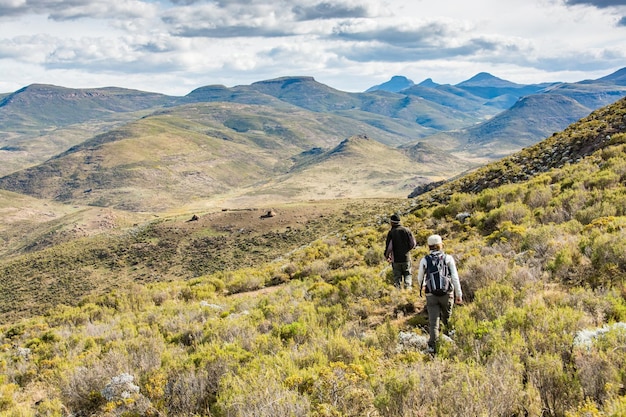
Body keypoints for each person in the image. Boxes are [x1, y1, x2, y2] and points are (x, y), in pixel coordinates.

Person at [417, 234, 462, 353]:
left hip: (431, 295)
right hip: (447, 293)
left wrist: (423, 287)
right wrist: (459, 294)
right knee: (447, 319)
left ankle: (433, 347)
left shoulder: (425, 260)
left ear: (429, 246)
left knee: (433, 323)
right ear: (440, 245)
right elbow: (455, 277)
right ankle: (450, 342)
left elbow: (420, 278)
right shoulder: (448, 258)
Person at [384, 213, 417, 289]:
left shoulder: (391, 232)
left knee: (397, 277)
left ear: (391, 222)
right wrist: (407, 250)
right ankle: (408, 290)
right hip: (406, 258)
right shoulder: (406, 230)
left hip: (396, 259)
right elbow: (413, 244)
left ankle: (398, 292)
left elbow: (389, 248)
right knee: (407, 274)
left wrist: (387, 256)